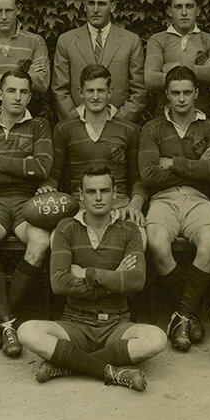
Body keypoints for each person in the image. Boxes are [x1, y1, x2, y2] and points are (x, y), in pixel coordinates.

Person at [18, 166, 167, 391]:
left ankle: (69, 365)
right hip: (75, 323)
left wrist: (88, 273)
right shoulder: (65, 228)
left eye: (104, 191)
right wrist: (115, 277)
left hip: (116, 323)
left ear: (115, 193)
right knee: (26, 331)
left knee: (157, 338)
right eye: (91, 192)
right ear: (80, 195)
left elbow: (136, 281)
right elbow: (59, 283)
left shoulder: (130, 230)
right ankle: (110, 371)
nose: (98, 198)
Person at [139, 65, 210, 352]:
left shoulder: (209, 126)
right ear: (166, 94)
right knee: (156, 242)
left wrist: (173, 162)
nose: (181, 99)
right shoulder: (152, 128)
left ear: (196, 93)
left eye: (187, 93)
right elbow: (149, 175)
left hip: (199, 198)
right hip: (163, 198)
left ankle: (181, 316)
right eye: (175, 93)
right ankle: (188, 313)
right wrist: (198, 164)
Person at [0, 68, 54, 358]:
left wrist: (0, 161)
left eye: (23, 92)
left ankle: (1, 320)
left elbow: (43, 168)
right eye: (12, 91)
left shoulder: (39, 126)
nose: (17, 97)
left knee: (41, 241)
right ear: (0, 93)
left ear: (30, 95)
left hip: (27, 203)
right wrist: (23, 166)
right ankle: (7, 323)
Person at [38, 64, 146, 232]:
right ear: (81, 93)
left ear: (110, 92)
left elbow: (138, 178)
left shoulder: (129, 130)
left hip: (119, 206)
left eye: (101, 91)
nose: (95, 97)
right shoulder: (65, 129)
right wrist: (47, 187)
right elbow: (54, 176)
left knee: (141, 239)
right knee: (58, 241)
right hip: (79, 208)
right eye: (90, 91)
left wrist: (136, 203)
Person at [52, 0, 147, 123]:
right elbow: (59, 89)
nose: (95, 9)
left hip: (118, 126)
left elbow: (139, 91)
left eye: (101, 4)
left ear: (112, 7)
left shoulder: (130, 41)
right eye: (91, 3)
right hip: (77, 126)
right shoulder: (67, 41)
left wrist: (119, 122)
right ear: (85, 6)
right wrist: (76, 123)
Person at [144, 0, 210, 120]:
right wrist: (203, 69)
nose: (184, 13)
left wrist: (179, 67)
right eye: (178, 7)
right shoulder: (157, 40)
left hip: (203, 115)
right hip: (165, 117)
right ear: (170, 11)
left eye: (189, 6)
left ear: (198, 10)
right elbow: (151, 80)